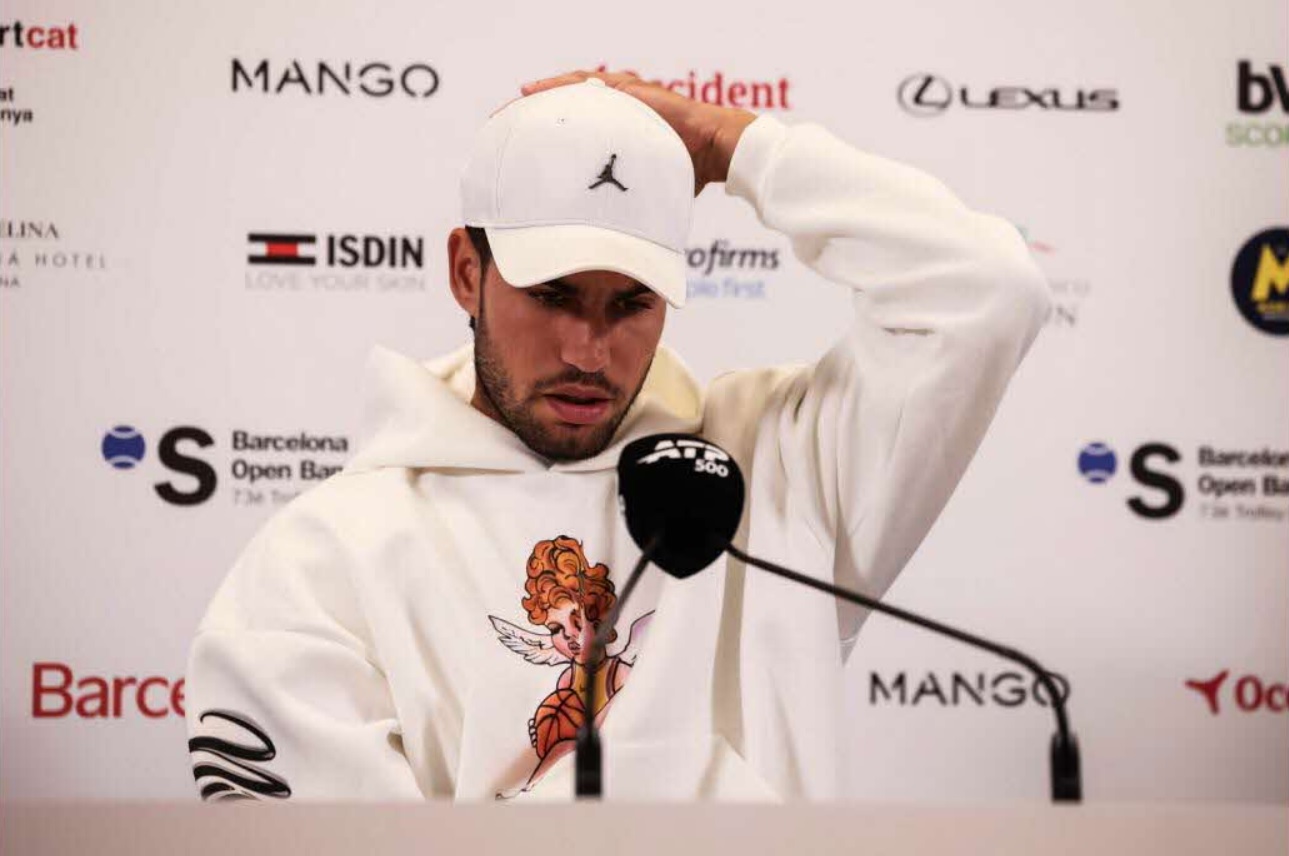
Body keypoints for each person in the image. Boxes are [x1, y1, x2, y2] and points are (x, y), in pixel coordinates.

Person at [185, 70, 1051, 802]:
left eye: (629, 304)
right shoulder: (322, 555)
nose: (586, 351)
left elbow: (986, 291)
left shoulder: (776, 469)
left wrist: (734, 146)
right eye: (553, 295)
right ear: (465, 272)